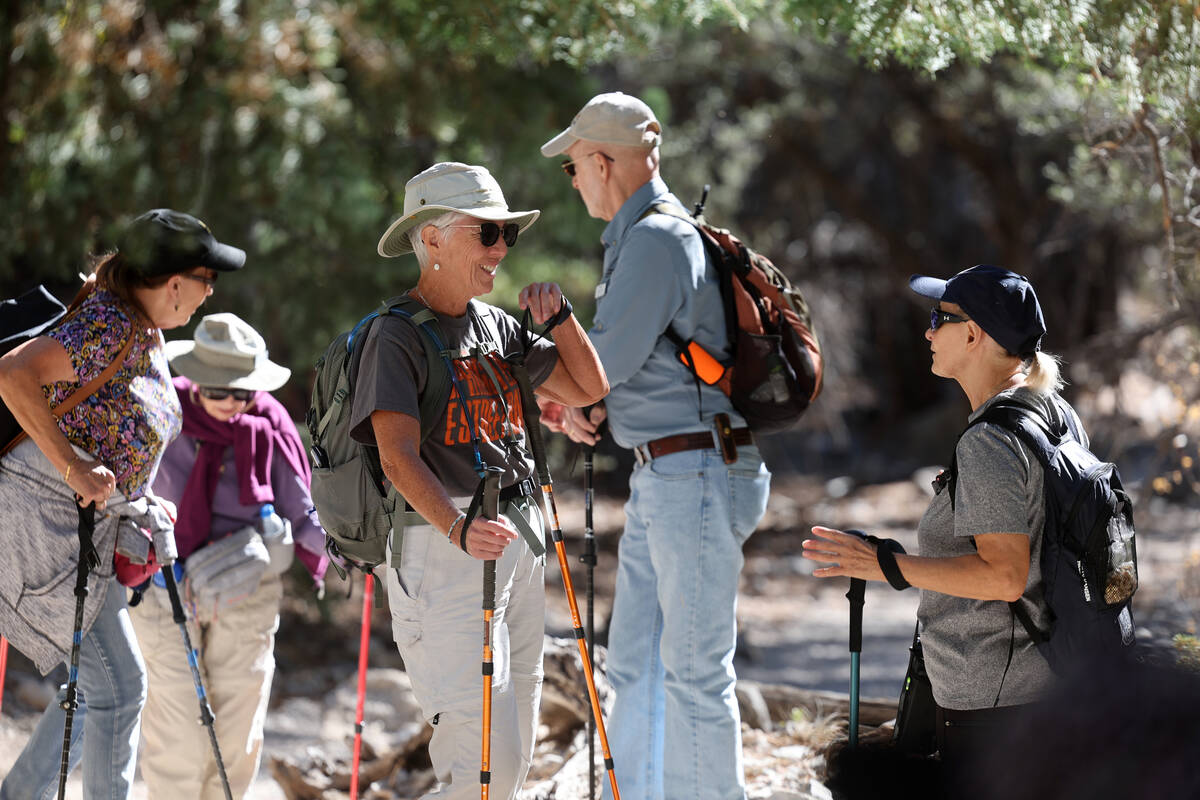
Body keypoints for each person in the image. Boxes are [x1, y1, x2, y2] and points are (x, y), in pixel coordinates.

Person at [539, 92, 772, 800]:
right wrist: (582, 405)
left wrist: (552, 353)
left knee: (696, 671)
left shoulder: (656, 242)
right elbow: (622, 372)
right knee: (637, 662)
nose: (573, 180)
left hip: (694, 472)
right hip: (668, 471)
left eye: (574, 166)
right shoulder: (647, 239)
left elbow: (596, 369)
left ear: (603, 161)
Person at [358, 161, 608, 800]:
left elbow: (589, 387)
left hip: (514, 544)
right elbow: (395, 455)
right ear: (431, 238)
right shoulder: (395, 336)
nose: (501, 249)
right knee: (477, 761)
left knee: (512, 752)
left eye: (507, 235)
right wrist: (458, 527)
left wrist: (562, 321)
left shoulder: (498, 328)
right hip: (444, 550)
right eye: (487, 233)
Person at [0, 208, 243, 798]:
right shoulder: (110, 322)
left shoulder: (142, 327)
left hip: (83, 523)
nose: (210, 294)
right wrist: (72, 464)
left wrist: (141, 496)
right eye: (207, 279)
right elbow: (12, 375)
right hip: (48, 516)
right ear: (173, 281)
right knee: (121, 687)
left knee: (95, 690)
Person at [801, 265, 1072, 793]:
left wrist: (883, 566)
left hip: (993, 704)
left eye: (939, 318)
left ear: (973, 335)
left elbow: (1005, 576)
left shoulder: (991, 441)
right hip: (1039, 688)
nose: (927, 332)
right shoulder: (1054, 413)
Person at [127, 312, 329, 799]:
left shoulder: (267, 422)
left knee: (237, 732)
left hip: (247, 588)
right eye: (219, 390)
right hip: (162, 588)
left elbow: (303, 510)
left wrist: (353, 553)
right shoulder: (156, 411)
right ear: (194, 377)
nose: (232, 402)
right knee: (176, 733)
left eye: (243, 391)